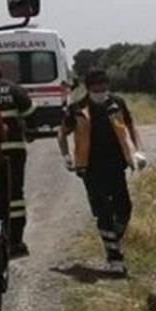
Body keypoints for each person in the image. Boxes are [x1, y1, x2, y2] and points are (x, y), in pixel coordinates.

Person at [58, 67, 147, 276]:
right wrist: (66, 156)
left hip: (116, 165)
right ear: (88, 88)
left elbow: (131, 126)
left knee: (124, 208)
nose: (102, 90)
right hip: (90, 168)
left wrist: (138, 151)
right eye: (97, 86)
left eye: (105, 85)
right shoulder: (77, 108)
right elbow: (62, 133)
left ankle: (113, 240)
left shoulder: (117, 103)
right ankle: (115, 258)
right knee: (104, 211)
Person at [0, 56, 33, 256]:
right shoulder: (13, 89)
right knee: (15, 195)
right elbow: (31, 112)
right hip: (15, 152)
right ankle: (16, 241)